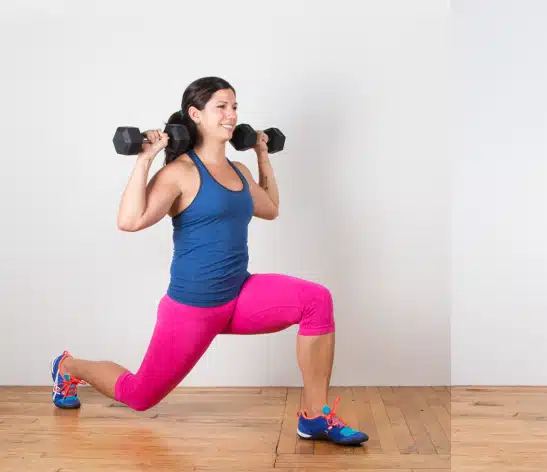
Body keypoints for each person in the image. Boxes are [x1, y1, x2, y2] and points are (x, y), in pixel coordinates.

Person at [50, 76, 368, 446]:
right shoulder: (179, 172)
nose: (231, 114)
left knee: (317, 299)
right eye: (222, 106)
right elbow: (129, 221)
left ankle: (314, 417)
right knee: (139, 396)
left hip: (239, 294)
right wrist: (144, 160)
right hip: (192, 309)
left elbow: (270, 208)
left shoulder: (238, 171)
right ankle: (67, 366)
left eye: (235, 107)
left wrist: (262, 155)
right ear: (195, 114)